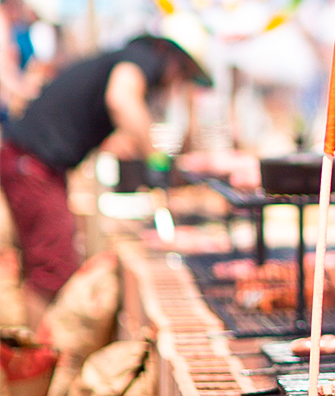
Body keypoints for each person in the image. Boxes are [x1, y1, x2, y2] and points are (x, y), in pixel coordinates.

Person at [0, 24, 212, 330]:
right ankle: (37, 365)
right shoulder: (143, 56)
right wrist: (155, 159)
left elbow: (111, 125)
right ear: (170, 56)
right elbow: (122, 99)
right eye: (182, 74)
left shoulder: (123, 59)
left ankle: (34, 357)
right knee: (52, 269)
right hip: (32, 164)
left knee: (47, 265)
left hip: (30, 161)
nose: (175, 84)